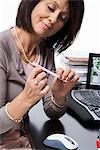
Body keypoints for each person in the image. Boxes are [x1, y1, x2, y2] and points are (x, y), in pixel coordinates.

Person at [0, 0, 84, 149]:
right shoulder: (2, 48)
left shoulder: (45, 52)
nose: (53, 19)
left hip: (25, 141)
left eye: (62, 18)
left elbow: (52, 112)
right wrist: (26, 98)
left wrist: (59, 96)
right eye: (51, 7)